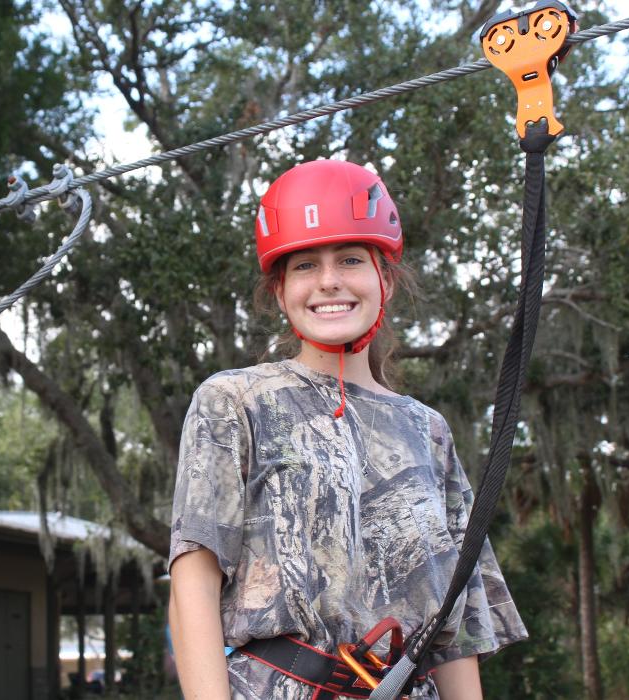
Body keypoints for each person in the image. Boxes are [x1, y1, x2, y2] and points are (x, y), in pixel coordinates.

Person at [167, 159, 527, 700]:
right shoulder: (234, 401)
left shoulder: (428, 430)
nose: (329, 280)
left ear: (385, 279)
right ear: (281, 290)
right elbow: (192, 584)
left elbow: (457, 628)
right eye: (305, 265)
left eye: (351, 259)